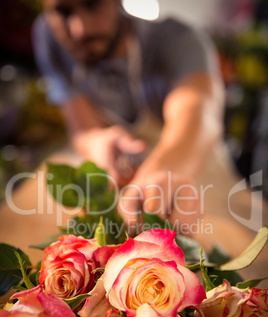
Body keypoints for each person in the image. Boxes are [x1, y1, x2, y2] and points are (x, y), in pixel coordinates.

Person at [33, 0, 224, 232]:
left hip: (192, 165)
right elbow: (81, 123)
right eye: (63, 12)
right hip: (127, 178)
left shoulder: (177, 40)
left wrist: (162, 170)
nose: (79, 28)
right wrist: (96, 143)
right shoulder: (49, 37)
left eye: (93, 5)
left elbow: (199, 113)